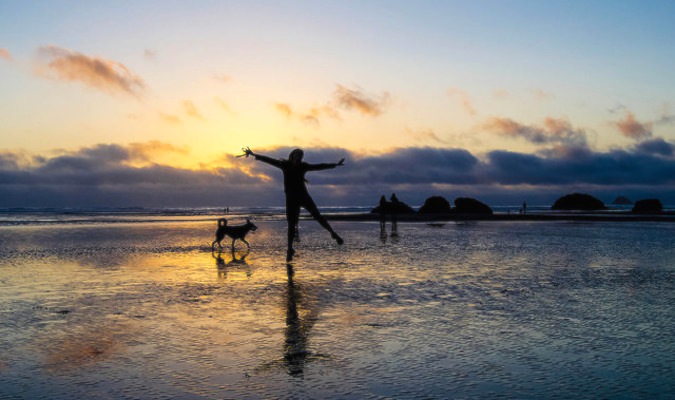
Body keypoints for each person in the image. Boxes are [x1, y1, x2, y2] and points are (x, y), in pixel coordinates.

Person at [242, 147, 345, 261]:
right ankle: (290, 249)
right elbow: (269, 160)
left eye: (301, 156)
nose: (299, 158)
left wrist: (335, 164)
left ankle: (333, 233)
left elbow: (319, 166)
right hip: (291, 200)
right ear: (292, 156)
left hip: (304, 197)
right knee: (291, 225)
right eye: (297, 155)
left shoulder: (303, 166)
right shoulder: (285, 165)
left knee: (318, 216)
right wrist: (253, 154)